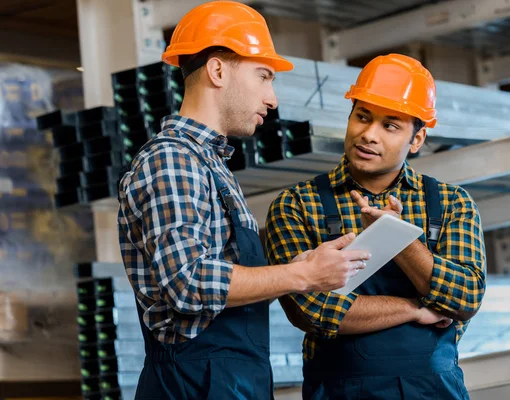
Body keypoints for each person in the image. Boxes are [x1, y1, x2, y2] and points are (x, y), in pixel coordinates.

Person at [116, 2, 370, 399]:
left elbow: (225, 275)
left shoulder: (211, 165)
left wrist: (298, 266)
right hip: (195, 385)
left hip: (230, 381)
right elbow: (188, 282)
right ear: (217, 70)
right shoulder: (172, 160)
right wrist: (300, 276)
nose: (272, 99)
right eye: (264, 76)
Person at [265, 53, 487, 399]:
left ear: (417, 139)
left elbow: (465, 297)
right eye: (362, 117)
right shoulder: (297, 205)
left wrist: (398, 239)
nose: (368, 135)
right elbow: (313, 310)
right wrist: (416, 309)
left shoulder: (450, 203)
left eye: (390, 125)